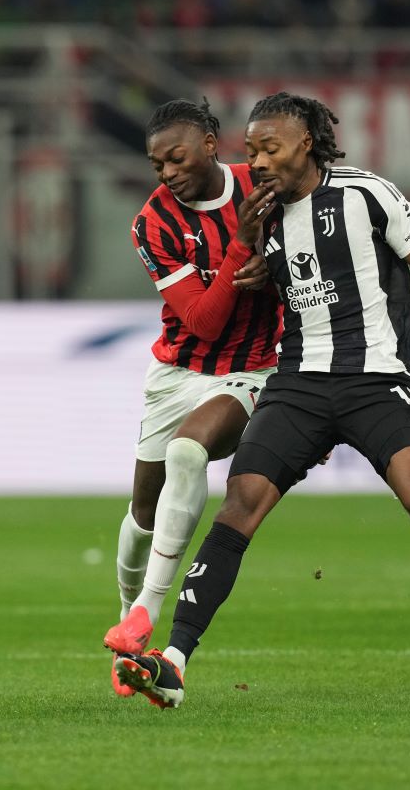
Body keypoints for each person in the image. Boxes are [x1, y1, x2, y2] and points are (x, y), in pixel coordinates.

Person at [112, 91, 410, 708]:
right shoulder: (258, 215)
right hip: (297, 382)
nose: (254, 161)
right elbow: (230, 287)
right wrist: (247, 263)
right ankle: (173, 660)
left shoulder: (366, 192)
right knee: (239, 506)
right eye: (250, 150)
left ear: (306, 142)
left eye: (269, 148)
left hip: (376, 378)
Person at [102, 99, 282, 697]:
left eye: (175, 158)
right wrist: (239, 258)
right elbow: (202, 321)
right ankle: (129, 617)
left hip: (250, 373)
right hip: (178, 373)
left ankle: (146, 616)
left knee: (188, 454)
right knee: (140, 519)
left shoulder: (263, 188)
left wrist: (272, 272)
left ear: (210, 144)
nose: (167, 173)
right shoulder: (151, 223)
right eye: (157, 166)